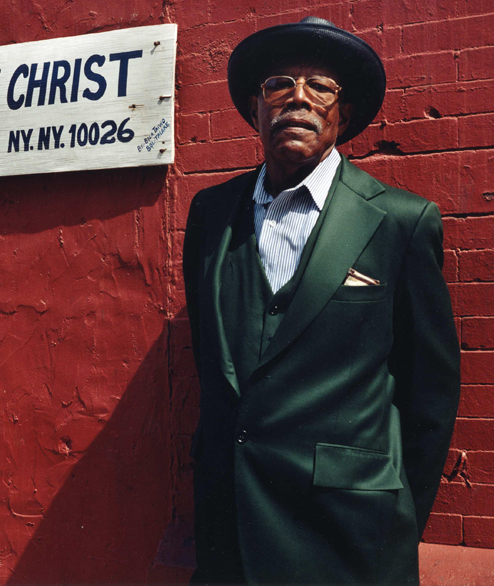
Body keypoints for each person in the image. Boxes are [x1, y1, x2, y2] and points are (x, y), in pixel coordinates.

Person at [182, 17, 460, 585]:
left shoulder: (400, 221)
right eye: (278, 84)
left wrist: (396, 522)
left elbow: (430, 394)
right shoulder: (210, 215)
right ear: (255, 109)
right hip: (231, 530)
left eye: (321, 87)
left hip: (349, 536)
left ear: (345, 115)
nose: (298, 99)